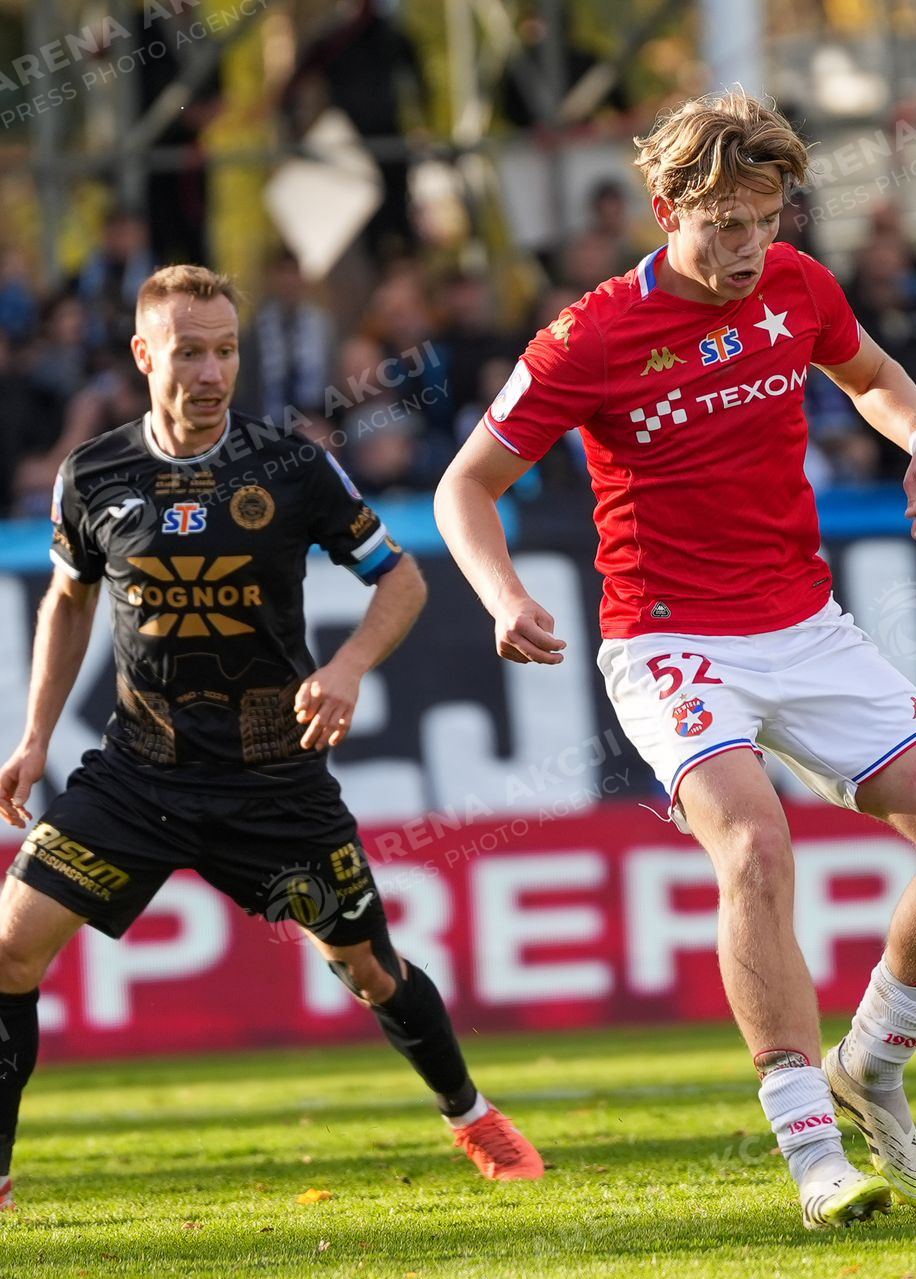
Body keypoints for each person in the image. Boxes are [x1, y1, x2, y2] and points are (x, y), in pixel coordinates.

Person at [434, 90, 916, 1230]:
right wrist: (505, 595)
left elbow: (874, 375)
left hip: (806, 624)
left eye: (767, 218)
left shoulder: (798, 285)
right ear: (667, 212)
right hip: (670, 639)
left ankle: (871, 1060)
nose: (751, 247)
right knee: (754, 843)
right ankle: (814, 1155)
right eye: (725, 225)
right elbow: (467, 485)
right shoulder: (590, 335)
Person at [0, 266, 545, 1211]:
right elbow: (70, 598)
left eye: (225, 351)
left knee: (369, 970)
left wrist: (348, 668)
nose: (212, 372)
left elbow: (402, 578)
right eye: (189, 352)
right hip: (137, 772)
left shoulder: (289, 465)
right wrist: (34, 735)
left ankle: (468, 1110)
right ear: (143, 355)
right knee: (8, 952)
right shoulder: (93, 474)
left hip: (272, 780)